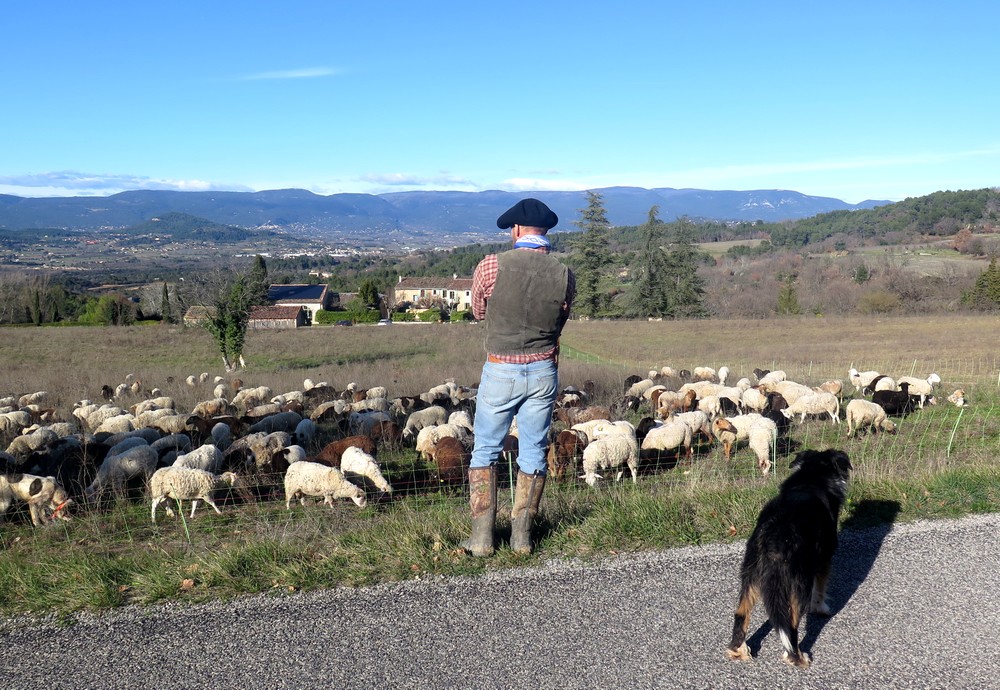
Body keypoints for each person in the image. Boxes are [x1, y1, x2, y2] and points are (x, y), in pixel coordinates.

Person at [461, 198, 575, 556]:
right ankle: (522, 538)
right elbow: (561, 319)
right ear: (545, 232)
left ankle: (482, 539)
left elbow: (479, 312)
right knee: (533, 452)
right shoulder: (564, 273)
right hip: (543, 371)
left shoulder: (490, 266)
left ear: (515, 231)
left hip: (501, 369)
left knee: (486, 450)